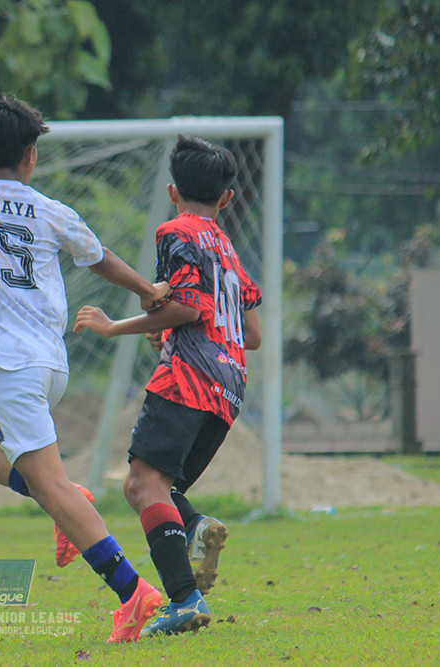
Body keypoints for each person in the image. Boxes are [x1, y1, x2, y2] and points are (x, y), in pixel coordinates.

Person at [0, 93, 171, 643]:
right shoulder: (49, 209)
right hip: (49, 366)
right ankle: (68, 494)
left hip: (8, 372)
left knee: (49, 489)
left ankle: (132, 592)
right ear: (31, 156)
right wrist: (147, 289)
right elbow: (102, 260)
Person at [73, 134, 263, 637]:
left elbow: (189, 308)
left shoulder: (174, 230)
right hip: (230, 387)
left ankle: (183, 600)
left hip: (188, 379)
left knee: (141, 484)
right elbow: (253, 334)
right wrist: (177, 327)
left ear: (172, 190)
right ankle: (196, 526)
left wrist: (116, 327)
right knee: (163, 488)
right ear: (226, 199)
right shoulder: (226, 248)